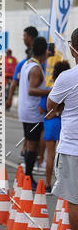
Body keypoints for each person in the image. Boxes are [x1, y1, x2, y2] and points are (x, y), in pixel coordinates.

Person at [48, 29, 78, 230]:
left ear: (72, 48)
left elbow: (51, 106)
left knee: (74, 201)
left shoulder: (67, 77)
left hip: (73, 146)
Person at [18, 35, 49, 189]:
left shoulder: (27, 63)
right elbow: (32, 90)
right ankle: (28, 178)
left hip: (25, 110)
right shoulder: (36, 69)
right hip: (33, 113)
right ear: (44, 52)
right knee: (32, 146)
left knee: (30, 144)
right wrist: (49, 91)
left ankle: (27, 176)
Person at [41, 60, 69, 193]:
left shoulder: (52, 88)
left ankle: (48, 185)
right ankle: (63, 185)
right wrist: (59, 111)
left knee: (50, 155)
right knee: (64, 156)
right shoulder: (70, 86)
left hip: (51, 123)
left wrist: (52, 112)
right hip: (64, 122)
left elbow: (43, 109)